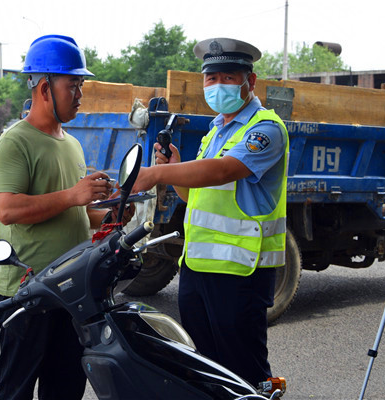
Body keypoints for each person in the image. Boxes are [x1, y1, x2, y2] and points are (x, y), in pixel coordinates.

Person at [132, 37, 289, 386]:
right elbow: (193, 196)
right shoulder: (214, 132)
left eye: (228, 77)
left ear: (251, 81)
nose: (218, 85)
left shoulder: (265, 129)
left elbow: (223, 171)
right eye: (211, 78)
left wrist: (157, 173)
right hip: (197, 267)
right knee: (205, 371)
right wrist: (175, 167)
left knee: (244, 373)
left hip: (240, 273)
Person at [0, 35, 130, 400]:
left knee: (65, 388)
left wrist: (111, 215)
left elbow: (79, 215)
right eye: (73, 85)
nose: (80, 94)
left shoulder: (73, 144)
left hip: (73, 291)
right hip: (29, 291)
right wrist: (73, 194)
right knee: (15, 391)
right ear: (44, 87)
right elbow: (8, 209)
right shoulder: (15, 142)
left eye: (81, 85)